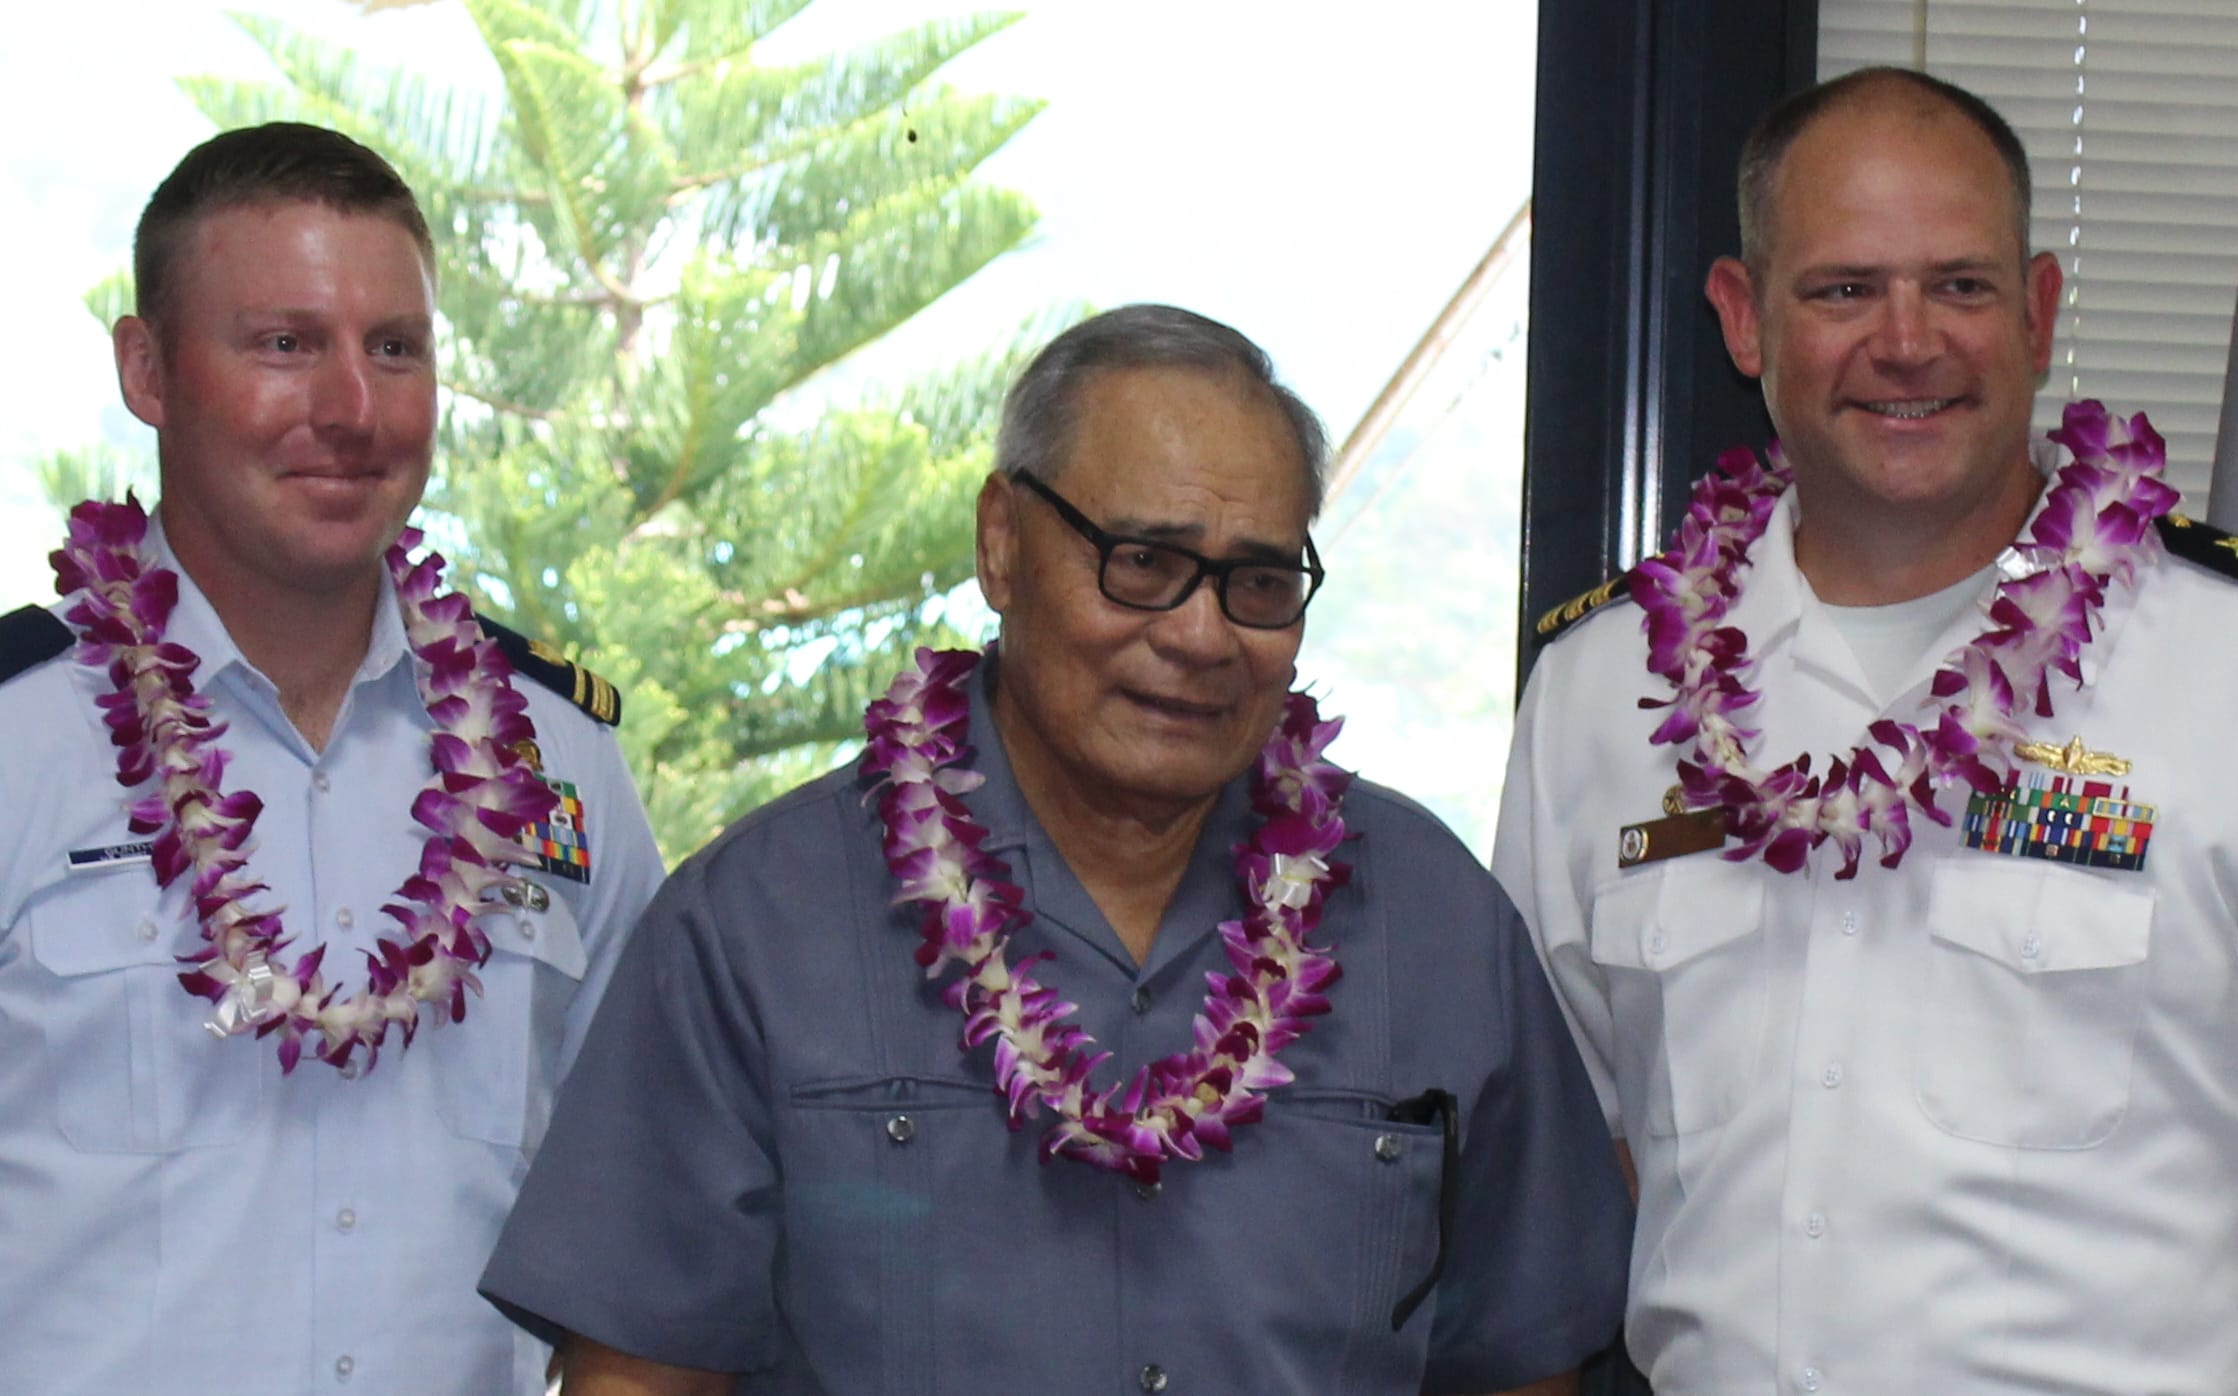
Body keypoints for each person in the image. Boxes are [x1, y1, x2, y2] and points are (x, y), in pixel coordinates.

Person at [479, 303, 1631, 1395]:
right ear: (1002, 543)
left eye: (1260, 581)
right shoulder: (758, 925)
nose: (1198, 633)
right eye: (1142, 559)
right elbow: (640, 1369)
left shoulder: (1433, 924)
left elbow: (1521, 1360)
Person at [1497, 66, 2238, 1394]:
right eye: (1841, 290)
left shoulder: (2216, 662)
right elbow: (1573, 1149)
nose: (1905, 341)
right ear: (1742, 317)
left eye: (1957, 284)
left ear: (2037, 310)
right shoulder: (1596, 694)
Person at [0, 123, 666, 1395]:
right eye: (285, 344)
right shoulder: (17, 737)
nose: (353, 411)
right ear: (148, 369)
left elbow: (646, 1212)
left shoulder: (559, 763)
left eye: (395, 349)